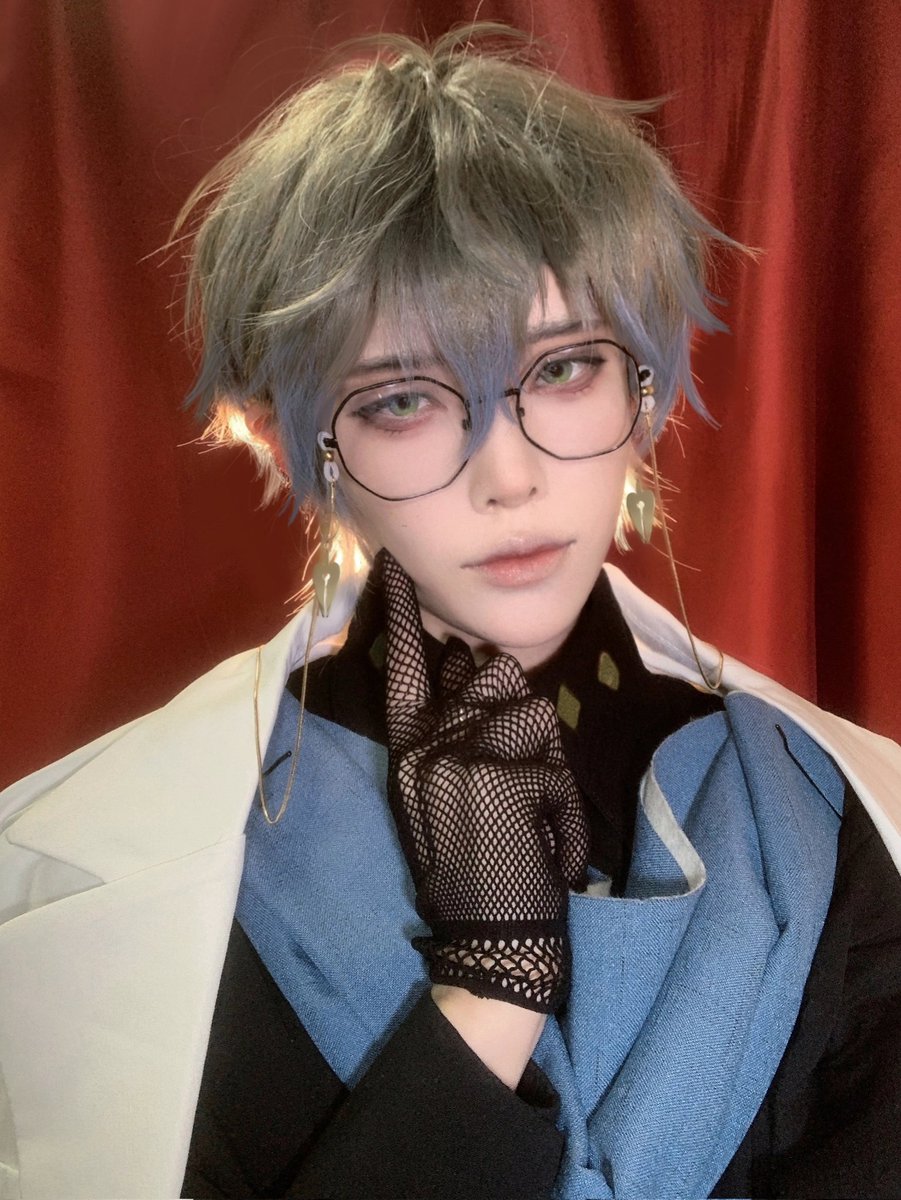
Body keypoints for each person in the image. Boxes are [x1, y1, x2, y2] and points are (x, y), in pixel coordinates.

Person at [1, 24, 900, 1200]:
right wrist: (490, 992)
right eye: (405, 399)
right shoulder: (110, 859)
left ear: (645, 390)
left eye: (562, 369)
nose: (507, 475)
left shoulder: (835, 819)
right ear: (288, 440)